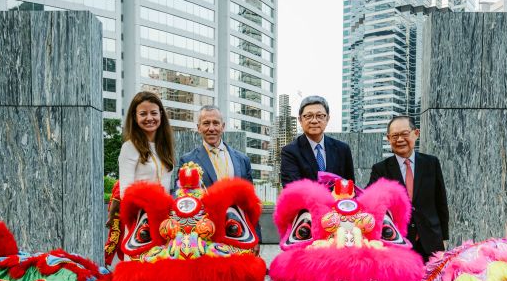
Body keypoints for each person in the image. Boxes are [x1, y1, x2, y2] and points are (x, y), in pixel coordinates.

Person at [104, 91, 175, 266]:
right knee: (140, 277)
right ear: (135, 118)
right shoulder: (129, 147)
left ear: (161, 115)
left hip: (164, 223)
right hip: (140, 223)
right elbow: (126, 193)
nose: (149, 118)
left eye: (154, 113)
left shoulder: (164, 147)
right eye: (143, 114)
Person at [178, 105, 261, 249]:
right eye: (206, 123)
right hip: (204, 236)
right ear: (199, 128)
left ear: (223, 126)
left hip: (238, 232)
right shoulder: (187, 161)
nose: (211, 128)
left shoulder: (242, 159)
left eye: (215, 123)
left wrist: (256, 236)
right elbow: (181, 198)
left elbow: (251, 202)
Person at [367, 115, 448, 262]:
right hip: (397, 241)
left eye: (404, 134)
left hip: (431, 240)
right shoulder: (380, 169)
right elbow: (369, 201)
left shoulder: (431, 163)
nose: (400, 139)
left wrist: (444, 238)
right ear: (388, 138)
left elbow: (441, 202)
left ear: (416, 134)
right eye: (395, 136)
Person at [280, 95, 355, 187]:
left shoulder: (343, 149)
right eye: (308, 116)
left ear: (327, 119)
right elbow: (292, 188)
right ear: (300, 120)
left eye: (320, 116)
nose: (314, 121)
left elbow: (350, 186)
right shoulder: (290, 152)